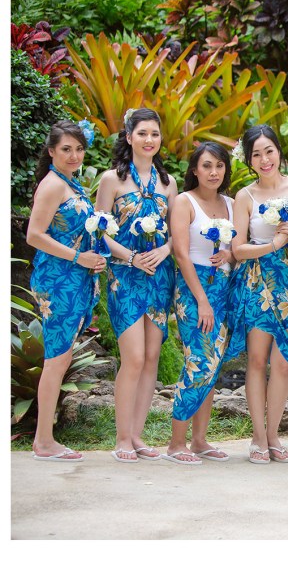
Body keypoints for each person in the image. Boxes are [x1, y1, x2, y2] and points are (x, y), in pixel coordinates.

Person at [96, 108, 177, 463]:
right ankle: (122, 437)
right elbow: (98, 228)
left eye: (155, 134)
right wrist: (129, 258)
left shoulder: (168, 182)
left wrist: (164, 249)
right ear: (129, 137)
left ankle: (139, 434)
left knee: (152, 358)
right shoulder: (111, 180)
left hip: (158, 275)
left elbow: (178, 233)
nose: (149, 140)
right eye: (142, 133)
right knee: (133, 357)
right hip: (125, 275)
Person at [229, 124, 288, 464]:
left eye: (269, 151)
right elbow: (237, 249)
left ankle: (275, 434)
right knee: (257, 361)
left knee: (282, 364)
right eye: (256, 154)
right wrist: (275, 242)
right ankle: (258, 437)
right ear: (249, 160)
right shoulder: (245, 196)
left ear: (279, 151)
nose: (265, 159)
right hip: (259, 282)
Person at [26, 120, 105, 462]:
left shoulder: (69, 183)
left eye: (78, 149)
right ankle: (44, 441)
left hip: (74, 280)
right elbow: (34, 234)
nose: (74, 155)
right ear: (51, 152)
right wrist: (78, 257)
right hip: (58, 281)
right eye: (66, 149)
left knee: (59, 359)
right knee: (56, 360)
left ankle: (46, 438)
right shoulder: (52, 185)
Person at [164, 143, 238, 464]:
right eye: (207, 166)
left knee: (214, 367)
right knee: (199, 363)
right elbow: (181, 254)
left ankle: (200, 440)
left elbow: (240, 247)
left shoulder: (233, 204)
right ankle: (175, 442)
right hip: (194, 291)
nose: (213, 172)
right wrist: (203, 302)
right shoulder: (185, 202)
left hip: (225, 288)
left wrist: (230, 253)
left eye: (219, 166)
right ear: (195, 169)